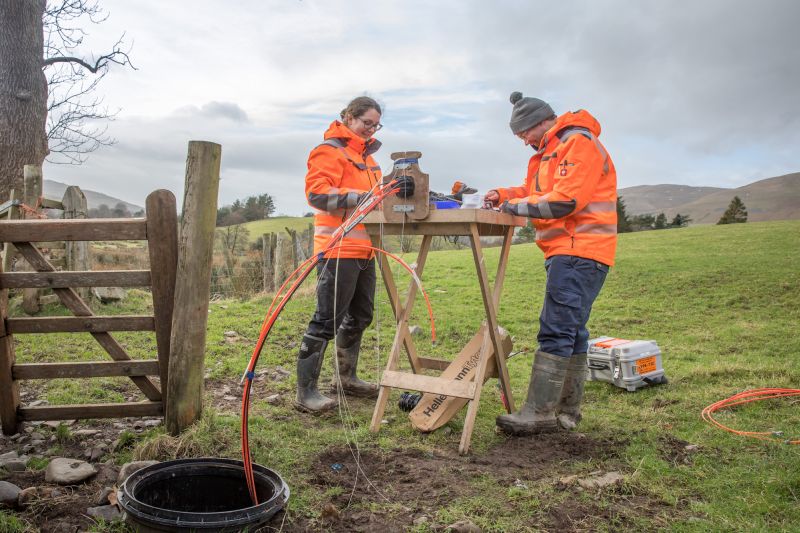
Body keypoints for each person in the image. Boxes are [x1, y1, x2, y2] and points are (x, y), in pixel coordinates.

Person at [485, 91, 617, 434]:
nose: (523, 141)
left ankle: (539, 411)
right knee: (572, 332)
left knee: (557, 328)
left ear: (538, 123)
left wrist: (516, 208)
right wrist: (504, 195)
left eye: (522, 134)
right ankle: (565, 411)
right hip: (572, 251)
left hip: (579, 249)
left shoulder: (578, 144)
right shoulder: (551, 152)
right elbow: (535, 191)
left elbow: (565, 201)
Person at [296, 96, 413, 413]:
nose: (371, 129)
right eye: (366, 123)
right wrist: (366, 195)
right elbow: (317, 194)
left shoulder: (368, 159)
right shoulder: (329, 151)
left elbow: (376, 199)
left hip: (365, 250)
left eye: (376, 125)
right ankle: (306, 393)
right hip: (337, 249)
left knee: (361, 316)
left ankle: (346, 379)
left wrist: (393, 189)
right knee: (325, 321)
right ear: (349, 117)